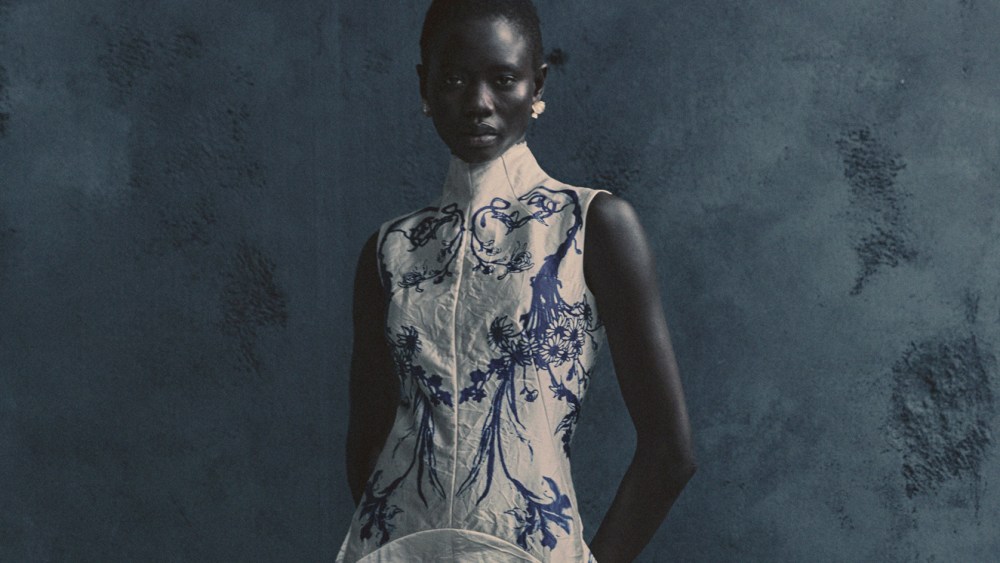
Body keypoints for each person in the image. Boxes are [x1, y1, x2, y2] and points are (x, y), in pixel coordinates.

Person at [338, 1, 695, 561]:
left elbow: (670, 453)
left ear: (537, 86)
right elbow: (366, 446)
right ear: (424, 87)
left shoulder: (591, 225)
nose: (479, 103)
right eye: (454, 79)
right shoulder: (390, 250)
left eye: (503, 79)